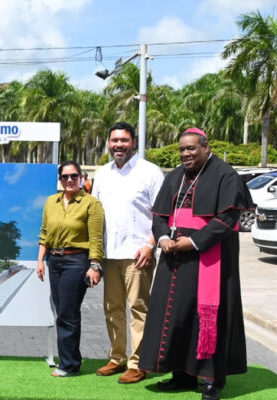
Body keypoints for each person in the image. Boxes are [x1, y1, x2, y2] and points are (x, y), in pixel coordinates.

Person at [139, 128, 252, 400]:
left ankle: (212, 380)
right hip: (173, 255)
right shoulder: (176, 176)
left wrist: (193, 242)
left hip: (208, 255)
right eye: (181, 150)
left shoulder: (225, 174)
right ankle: (181, 373)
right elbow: (159, 215)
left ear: (205, 147)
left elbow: (227, 219)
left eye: (191, 149)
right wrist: (164, 237)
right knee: (176, 313)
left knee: (207, 315)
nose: (185, 154)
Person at [91, 122, 164, 384]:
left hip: (138, 255)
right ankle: (117, 357)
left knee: (138, 309)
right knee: (112, 309)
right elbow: (95, 216)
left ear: (133, 142)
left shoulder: (150, 173)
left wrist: (151, 244)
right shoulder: (102, 174)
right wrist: (95, 258)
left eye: (124, 140)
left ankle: (138, 363)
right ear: (109, 143)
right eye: (114, 141)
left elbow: (162, 215)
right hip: (110, 254)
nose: (118, 145)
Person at [36, 160, 104, 377]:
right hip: (54, 262)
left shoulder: (91, 204)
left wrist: (95, 266)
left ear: (82, 177)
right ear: (60, 179)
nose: (69, 180)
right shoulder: (51, 202)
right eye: (65, 177)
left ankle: (70, 364)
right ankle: (69, 359)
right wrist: (40, 260)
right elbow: (45, 232)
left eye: (73, 176)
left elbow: (96, 238)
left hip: (77, 262)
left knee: (68, 312)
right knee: (61, 311)